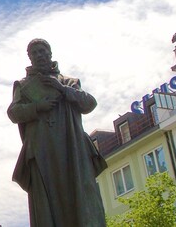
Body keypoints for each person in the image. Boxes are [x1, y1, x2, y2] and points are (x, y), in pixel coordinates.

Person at [7, 38, 107, 226]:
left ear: (50, 53)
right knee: (46, 203)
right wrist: (37, 106)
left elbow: (89, 103)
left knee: (83, 200)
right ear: (29, 57)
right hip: (42, 151)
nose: (39, 55)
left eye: (42, 50)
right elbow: (13, 113)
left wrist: (62, 89)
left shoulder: (69, 82)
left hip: (72, 149)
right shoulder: (24, 85)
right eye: (34, 52)